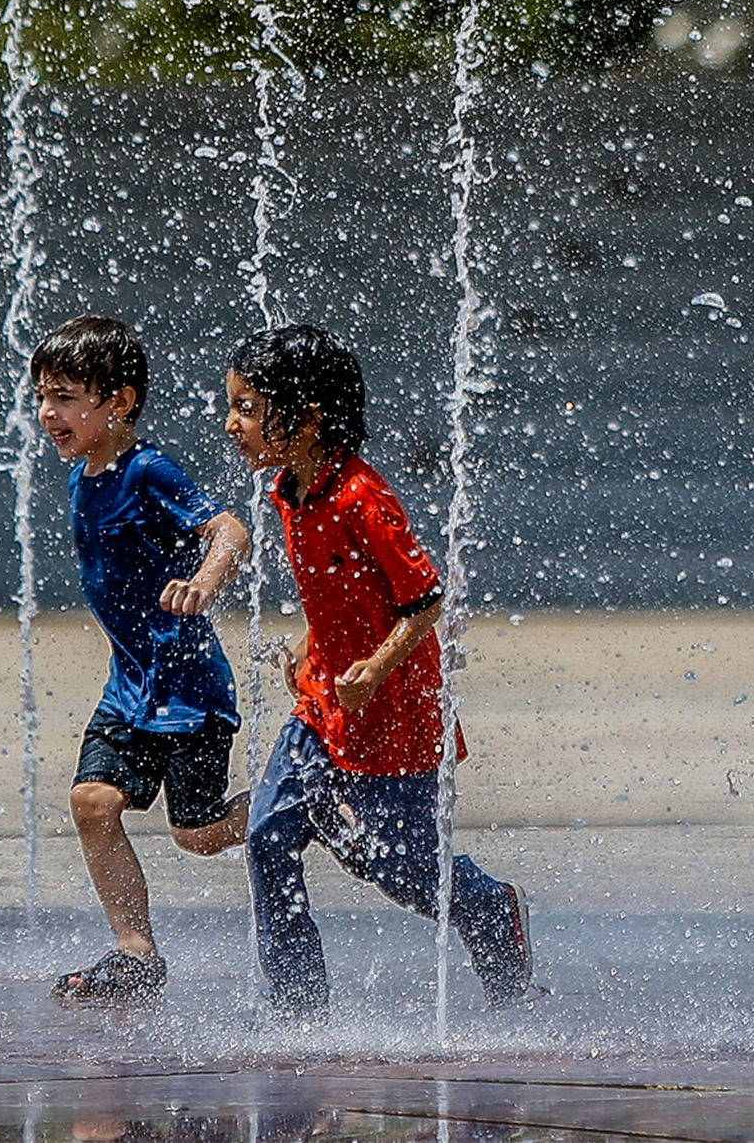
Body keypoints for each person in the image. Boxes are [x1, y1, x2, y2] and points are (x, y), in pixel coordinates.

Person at [224, 324, 532, 1018]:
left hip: (394, 713)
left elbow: (422, 600)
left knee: (407, 872)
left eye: (246, 407)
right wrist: (313, 642)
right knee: (267, 833)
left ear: (304, 419)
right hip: (323, 702)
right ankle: (299, 1008)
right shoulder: (287, 490)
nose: (232, 423)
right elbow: (337, 590)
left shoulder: (366, 499)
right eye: (233, 405)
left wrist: (375, 665)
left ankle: (490, 908)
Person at [32, 313, 253, 1000]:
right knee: (92, 801)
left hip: (186, 688)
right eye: (42, 395)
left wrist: (207, 580)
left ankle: (298, 799)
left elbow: (230, 527)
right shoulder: (83, 475)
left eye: (66, 397)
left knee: (199, 833)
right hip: (129, 686)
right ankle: (136, 953)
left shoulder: (147, 468)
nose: (48, 412)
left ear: (118, 402)